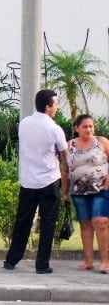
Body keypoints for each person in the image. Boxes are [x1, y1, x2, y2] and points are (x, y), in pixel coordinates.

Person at [4, 89, 68, 274]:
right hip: (49, 180)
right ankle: (42, 264)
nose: (57, 107)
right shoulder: (55, 129)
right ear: (48, 107)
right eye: (55, 104)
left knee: (22, 221)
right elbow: (64, 155)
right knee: (48, 223)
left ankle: (11, 259)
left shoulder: (24, 124)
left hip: (28, 180)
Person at [66, 114, 109, 273]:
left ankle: (105, 261)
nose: (88, 129)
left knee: (100, 221)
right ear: (77, 129)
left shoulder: (102, 142)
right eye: (84, 127)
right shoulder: (69, 145)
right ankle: (88, 261)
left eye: (90, 126)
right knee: (85, 224)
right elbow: (65, 170)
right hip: (79, 191)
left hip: (101, 189)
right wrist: (64, 193)